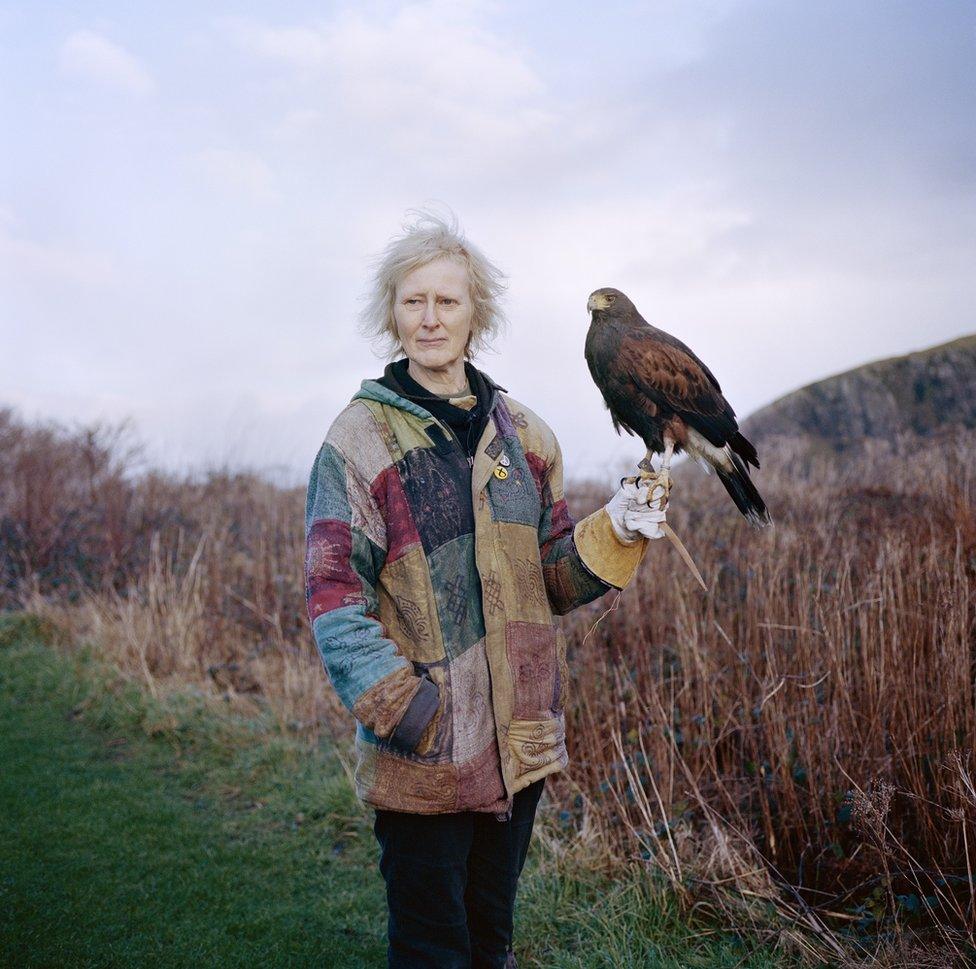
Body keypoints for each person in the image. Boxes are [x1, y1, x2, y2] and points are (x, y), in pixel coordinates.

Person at [303, 209, 667, 968]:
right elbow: (333, 596)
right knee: (434, 948)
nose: (430, 318)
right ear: (392, 313)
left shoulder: (527, 437)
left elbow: (552, 579)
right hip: (424, 754)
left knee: (490, 941)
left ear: (478, 315)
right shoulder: (358, 439)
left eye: (448, 301)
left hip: (519, 745)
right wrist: (409, 710)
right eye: (413, 301)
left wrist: (620, 526)